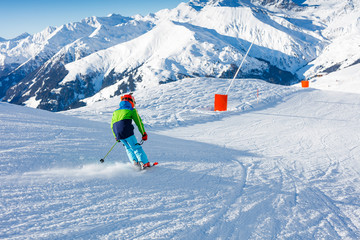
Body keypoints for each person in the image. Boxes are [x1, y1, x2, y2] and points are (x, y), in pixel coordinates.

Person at [111, 93, 150, 168]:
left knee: (128, 148)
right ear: (131, 101)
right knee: (136, 147)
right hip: (127, 132)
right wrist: (143, 133)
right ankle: (144, 163)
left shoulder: (115, 112)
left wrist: (116, 136)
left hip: (118, 134)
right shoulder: (131, 110)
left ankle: (135, 162)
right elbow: (139, 123)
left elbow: (112, 125)